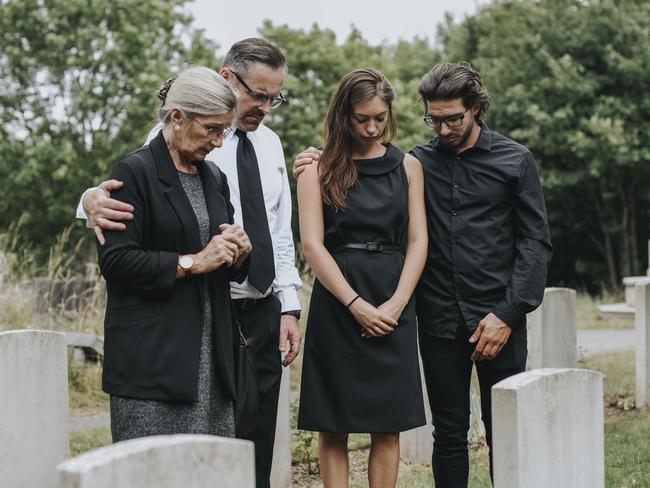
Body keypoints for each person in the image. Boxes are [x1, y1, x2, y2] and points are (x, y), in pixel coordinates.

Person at [293, 62, 552, 488]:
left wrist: (507, 313)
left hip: (497, 317)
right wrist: (317, 156)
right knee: (448, 433)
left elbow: (535, 245)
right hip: (438, 318)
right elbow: (356, 184)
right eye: (435, 119)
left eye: (454, 118)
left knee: (506, 428)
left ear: (476, 109)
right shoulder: (419, 161)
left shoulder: (515, 160)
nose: (445, 128)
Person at [77, 39, 302, 488]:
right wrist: (87, 202)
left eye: (272, 98)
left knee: (237, 461)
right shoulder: (149, 158)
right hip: (163, 341)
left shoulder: (228, 164)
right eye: (257, 95)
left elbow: (273, 232)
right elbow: (117, 238)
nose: (263, 108)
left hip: (231, 333)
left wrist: (251, 264)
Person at [98, 66, 251, 442]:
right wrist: (193, 262)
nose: (218, 141)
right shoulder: (134, 172)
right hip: (153, 358)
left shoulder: (215, 179)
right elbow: (116, 262)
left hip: (212, 361)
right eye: (212, 129)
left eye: (224, 129)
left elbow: (223, 264)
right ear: (178, 117)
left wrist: (239, 252)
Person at [296, 68, 428, 488]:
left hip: (393, 300)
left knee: (388, 426)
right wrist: (355, 305)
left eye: (380, 117)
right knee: (333, 426)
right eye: (362, 118)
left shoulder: (409, 166)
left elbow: (418, 241)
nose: (372, 127)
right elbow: (313, 246)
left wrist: (395, 304)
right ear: (343, 116)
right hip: (338, 303)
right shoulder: (315, 170)